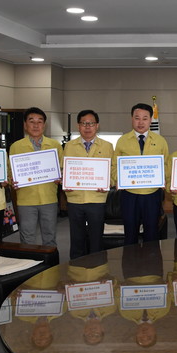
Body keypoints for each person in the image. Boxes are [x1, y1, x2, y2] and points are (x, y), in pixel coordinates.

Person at [113, 103, 169, 243]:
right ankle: (130, 258)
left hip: (152, 194)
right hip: (129, 194)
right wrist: (118, 179)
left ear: (150, 120)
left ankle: (151, 258)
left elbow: (166, 164)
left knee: (152, 233)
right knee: (130, 234)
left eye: (145, 118)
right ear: (131, 119)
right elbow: (114, 165)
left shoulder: (160, 141)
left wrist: (164, 179)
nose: (140, 122)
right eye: (137, 118)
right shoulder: (122, 141)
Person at [63, 110, 115, 260]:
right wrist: (65, 181)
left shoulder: (107, 146)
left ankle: (97, 270)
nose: (87, 127)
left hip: (97, 199)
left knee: (96, 239)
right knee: (76, 239)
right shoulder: (69, 146)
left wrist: (108, 183)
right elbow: (64, 169)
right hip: (75, 199)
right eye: (83, 123)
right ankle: (76, 271)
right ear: (78, 126)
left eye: (91, 123)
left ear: (97, 126)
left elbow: (113, 170)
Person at [9, 107, 63, 246]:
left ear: (44, 125)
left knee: (50, 237)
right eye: (31, 121)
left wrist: (61, 177)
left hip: (49, 198)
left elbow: (62, 168)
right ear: (25, 125)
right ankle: (28, 260)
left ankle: (50, 261)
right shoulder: (16, 146)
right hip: (26, 200)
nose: (35, 125)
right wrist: (11, 181)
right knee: (27, 238)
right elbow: (10, 172)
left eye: (39, 122)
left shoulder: (55, 145)